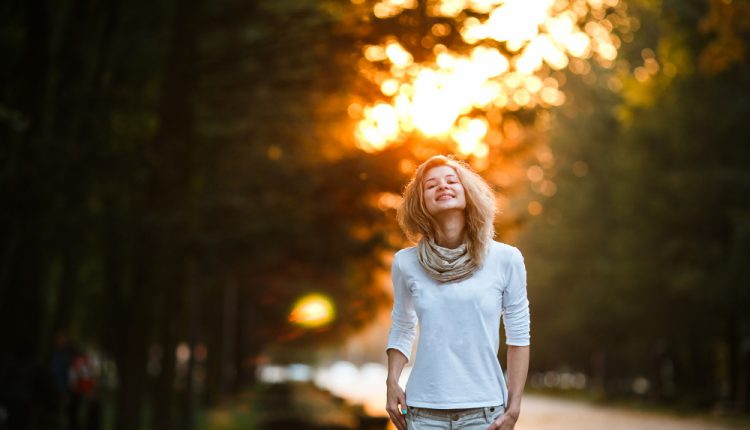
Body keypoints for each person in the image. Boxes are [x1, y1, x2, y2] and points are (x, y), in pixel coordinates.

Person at [385, 155, 531, 430]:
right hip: (423, 413)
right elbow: (403, 326)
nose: (443, 186)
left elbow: (518, 334)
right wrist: (392, 381)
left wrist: (514, 406)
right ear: (421, 202)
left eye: (452, 181)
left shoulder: (506, 259)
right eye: (431, 185)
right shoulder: (406, 263)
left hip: (485, 413)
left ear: (468, 193)